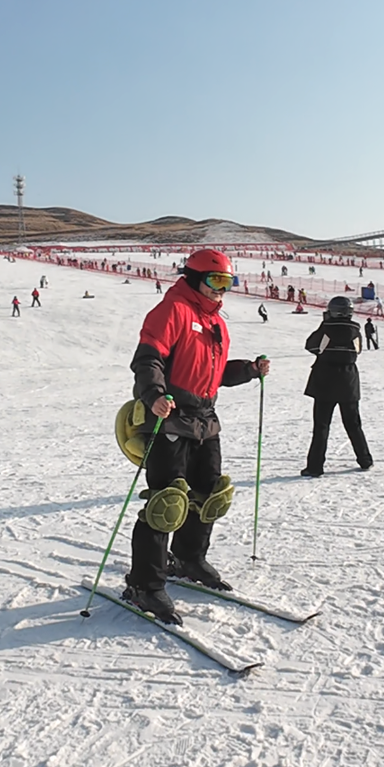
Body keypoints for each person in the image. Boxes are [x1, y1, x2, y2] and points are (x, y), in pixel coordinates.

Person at [124, 248, 270, 624]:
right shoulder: (172, 310)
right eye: (215, 281)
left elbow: (215, 373)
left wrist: (250, 370)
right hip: (170, 417)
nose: (222, 290)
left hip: (206, 419)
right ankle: (145, 583)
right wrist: (154, 395)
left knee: (209, 496)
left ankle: (190, 558)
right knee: (166, 503)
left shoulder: (216, 324)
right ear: (193, 278)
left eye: (228, 282)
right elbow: (148, 359)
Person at [301, 296, 372, 478]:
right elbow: (357, 351)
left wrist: (324, 325)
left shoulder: (327, 328)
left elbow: (311, 345)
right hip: (348, 381)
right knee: (353, 424)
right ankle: (365, 459)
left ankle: (315, 466)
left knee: (322, 426)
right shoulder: (355, 329)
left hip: (325, 381)